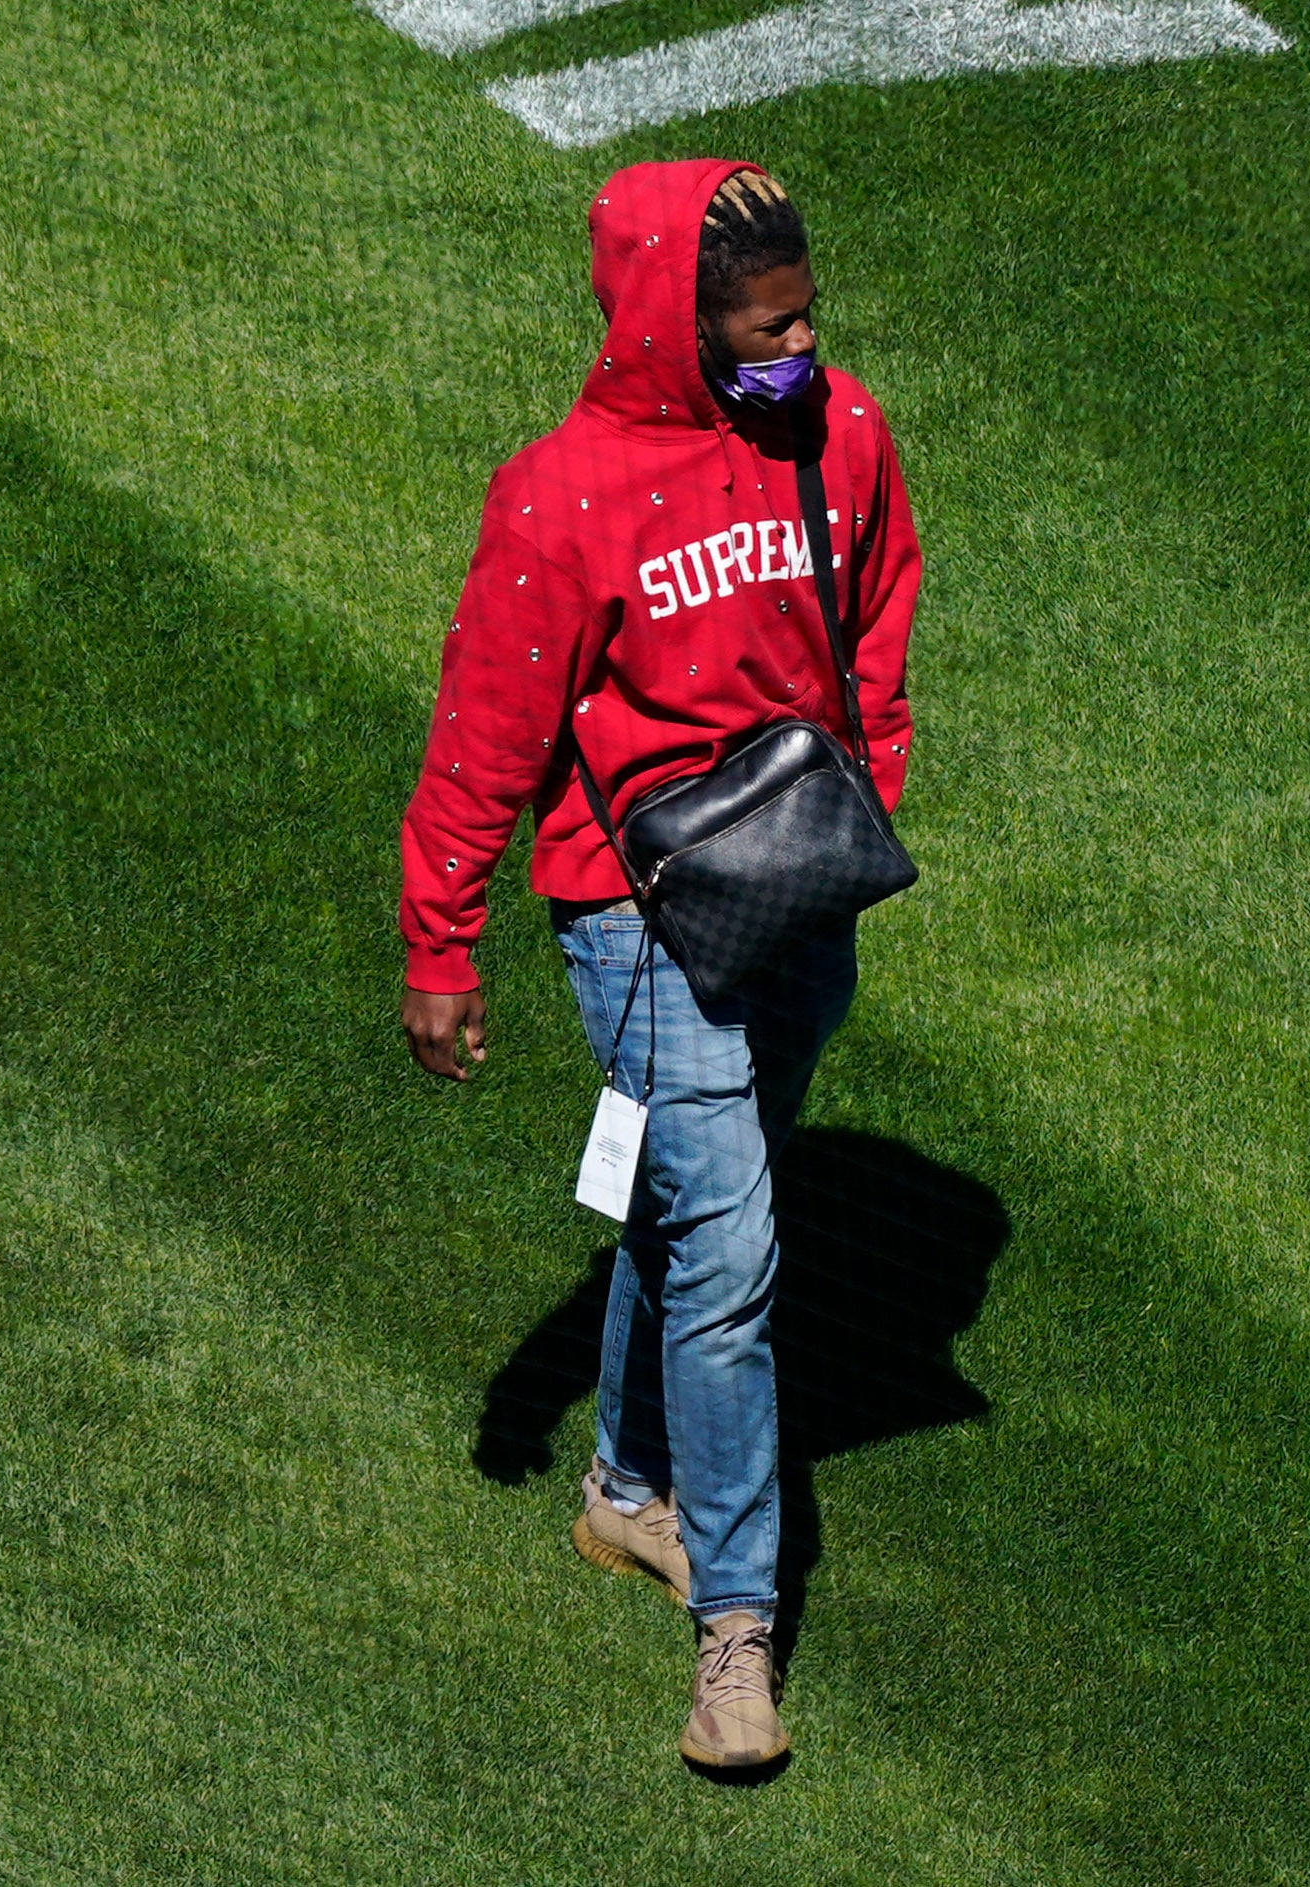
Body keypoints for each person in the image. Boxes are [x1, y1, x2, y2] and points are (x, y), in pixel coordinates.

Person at [396, 156, 921, 1783]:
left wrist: (863, 795)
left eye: (805, 319)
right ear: (665, 328)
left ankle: (626, 1494)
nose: (796, 354)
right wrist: (441, 935)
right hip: (635, 914)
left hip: (799, 883)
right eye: (760, 333)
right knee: (738, 1253)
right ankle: (736, 1634)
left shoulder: (841, 431)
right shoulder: (560, 498)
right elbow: (492, 731)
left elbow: (879, 609)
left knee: (696, 1204)